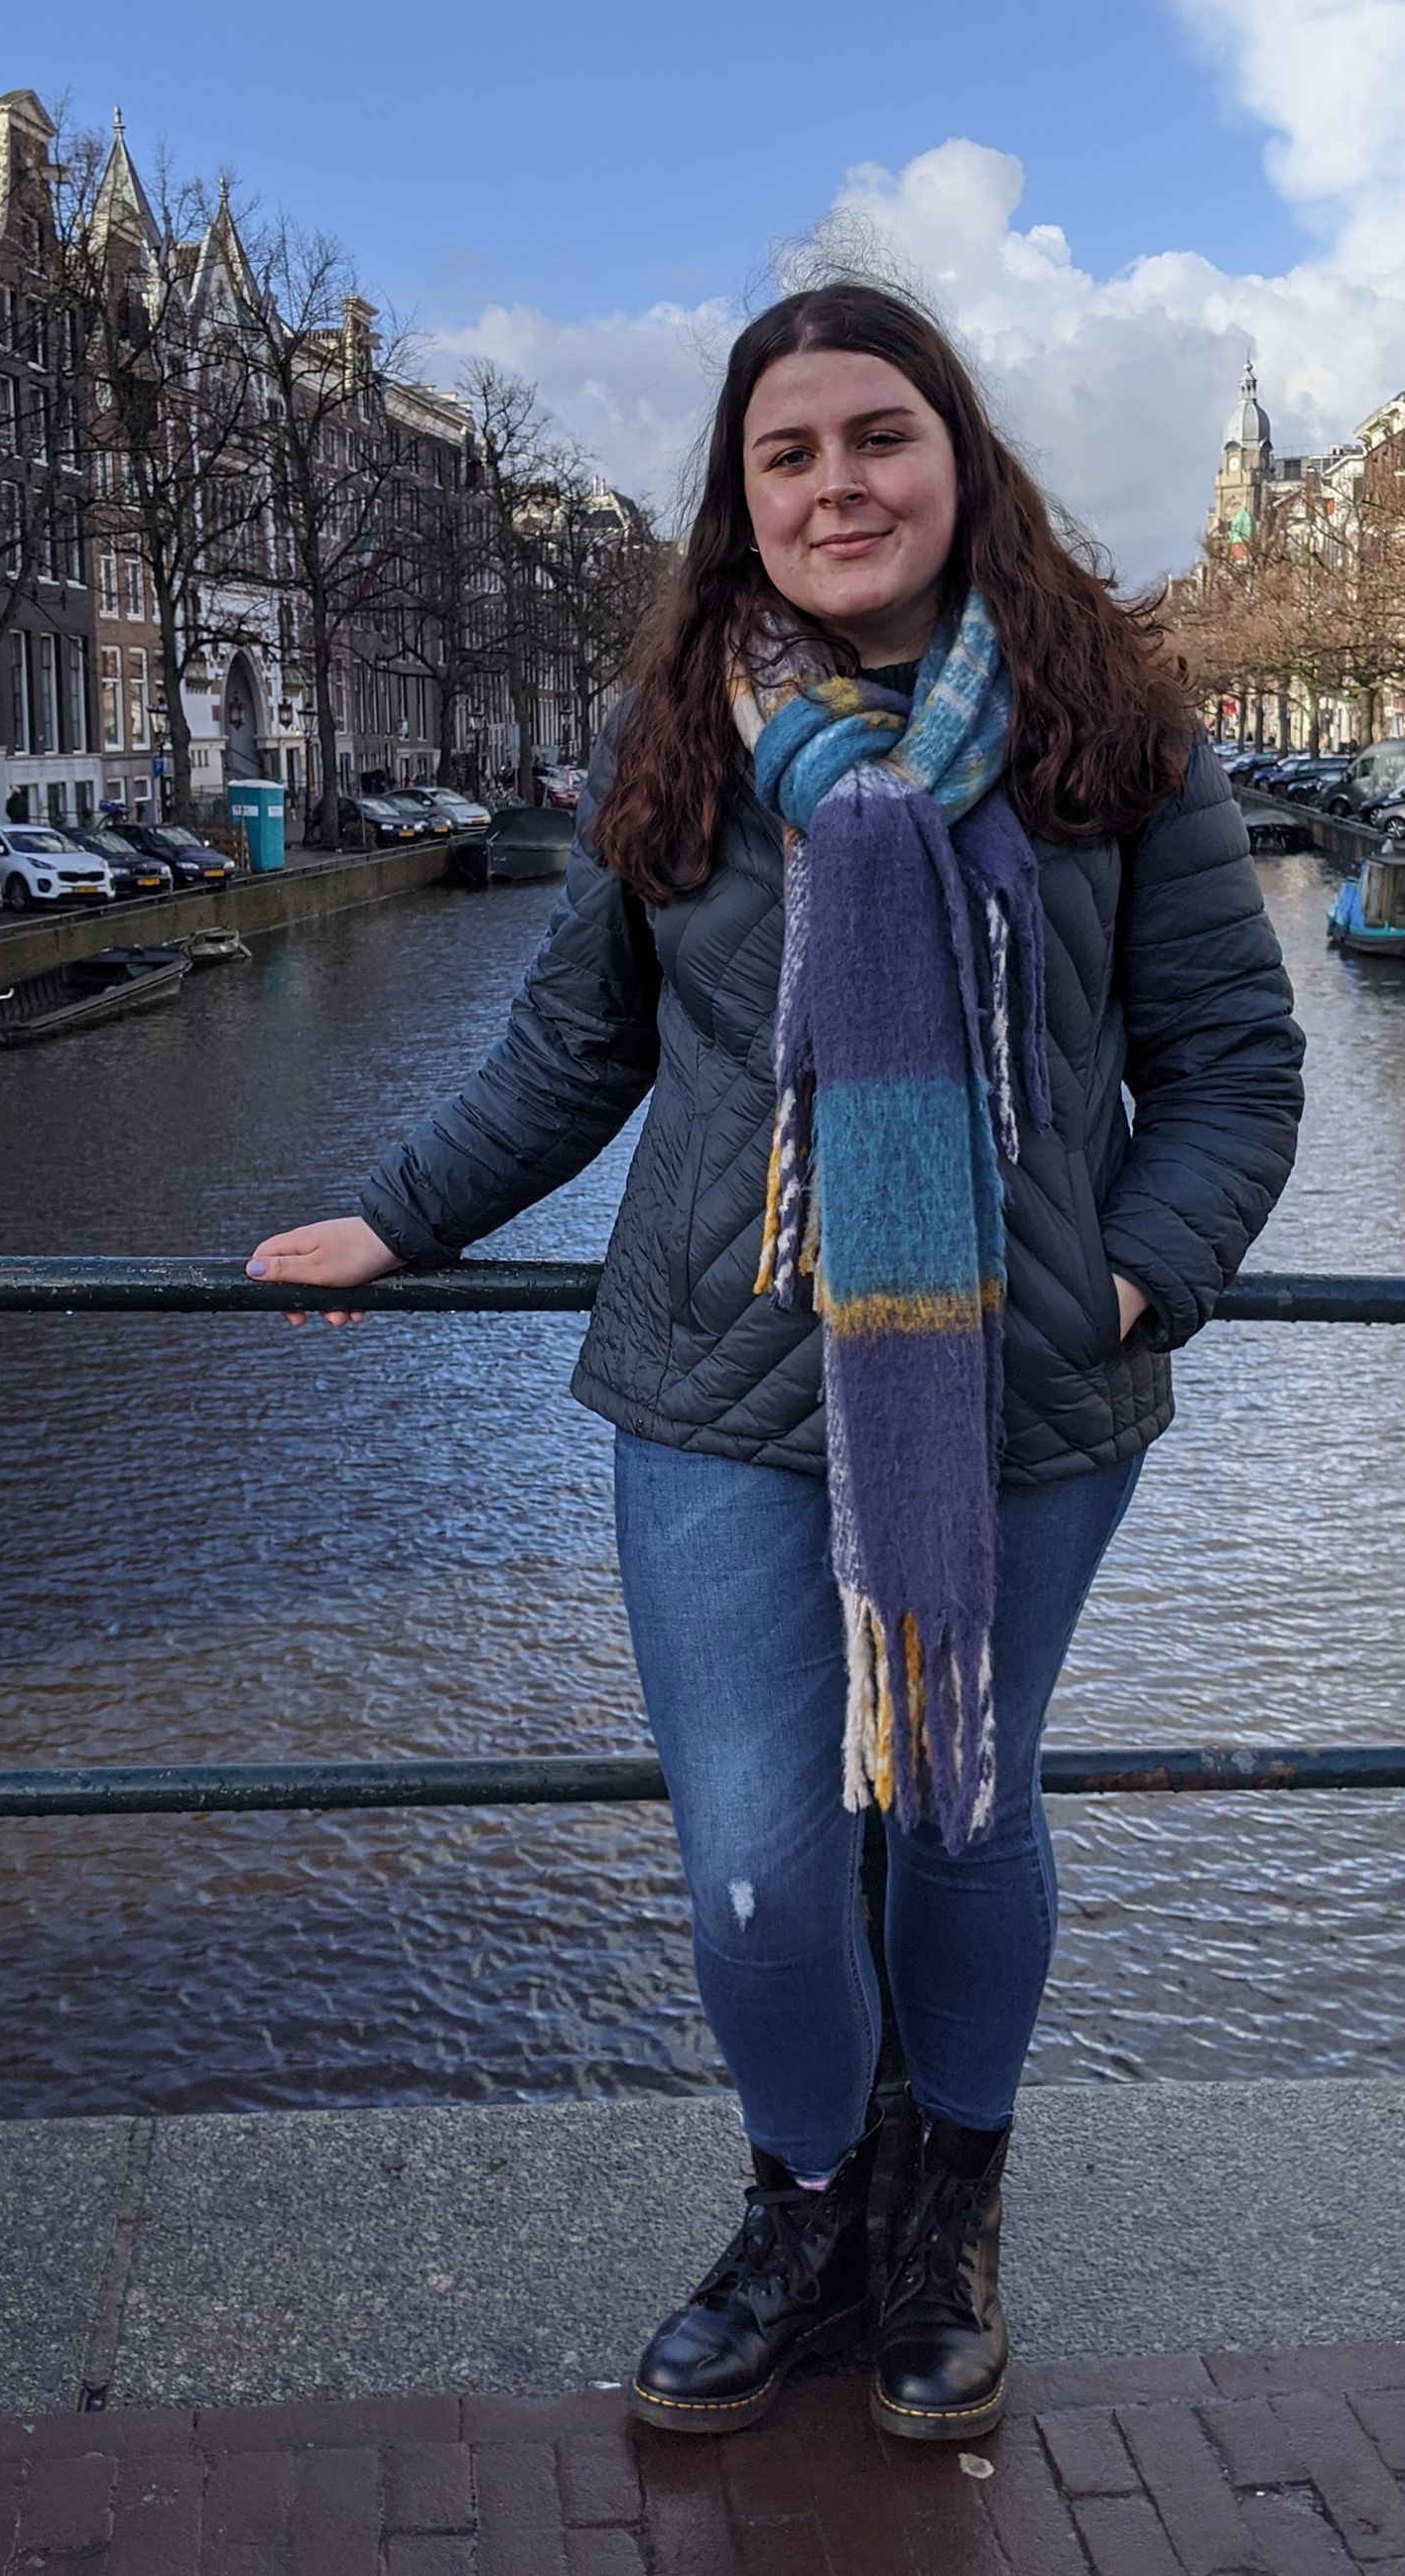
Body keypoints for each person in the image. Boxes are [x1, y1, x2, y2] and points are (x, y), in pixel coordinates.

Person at [246, 282, 1303, 2444]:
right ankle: (807, 2198)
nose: (840, 484)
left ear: (959, 454)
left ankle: (947, 2224)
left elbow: (1233, 1069)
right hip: (722, 1387)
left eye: (878, 436)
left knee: (964, 1810)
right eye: (789, 454)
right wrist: (404, 1210)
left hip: (1018, 1395)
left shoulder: (1121, 736)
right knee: (753, 1863)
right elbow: (573, 1047)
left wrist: (1124, 1279)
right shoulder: (685, 743)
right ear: (742, 500)